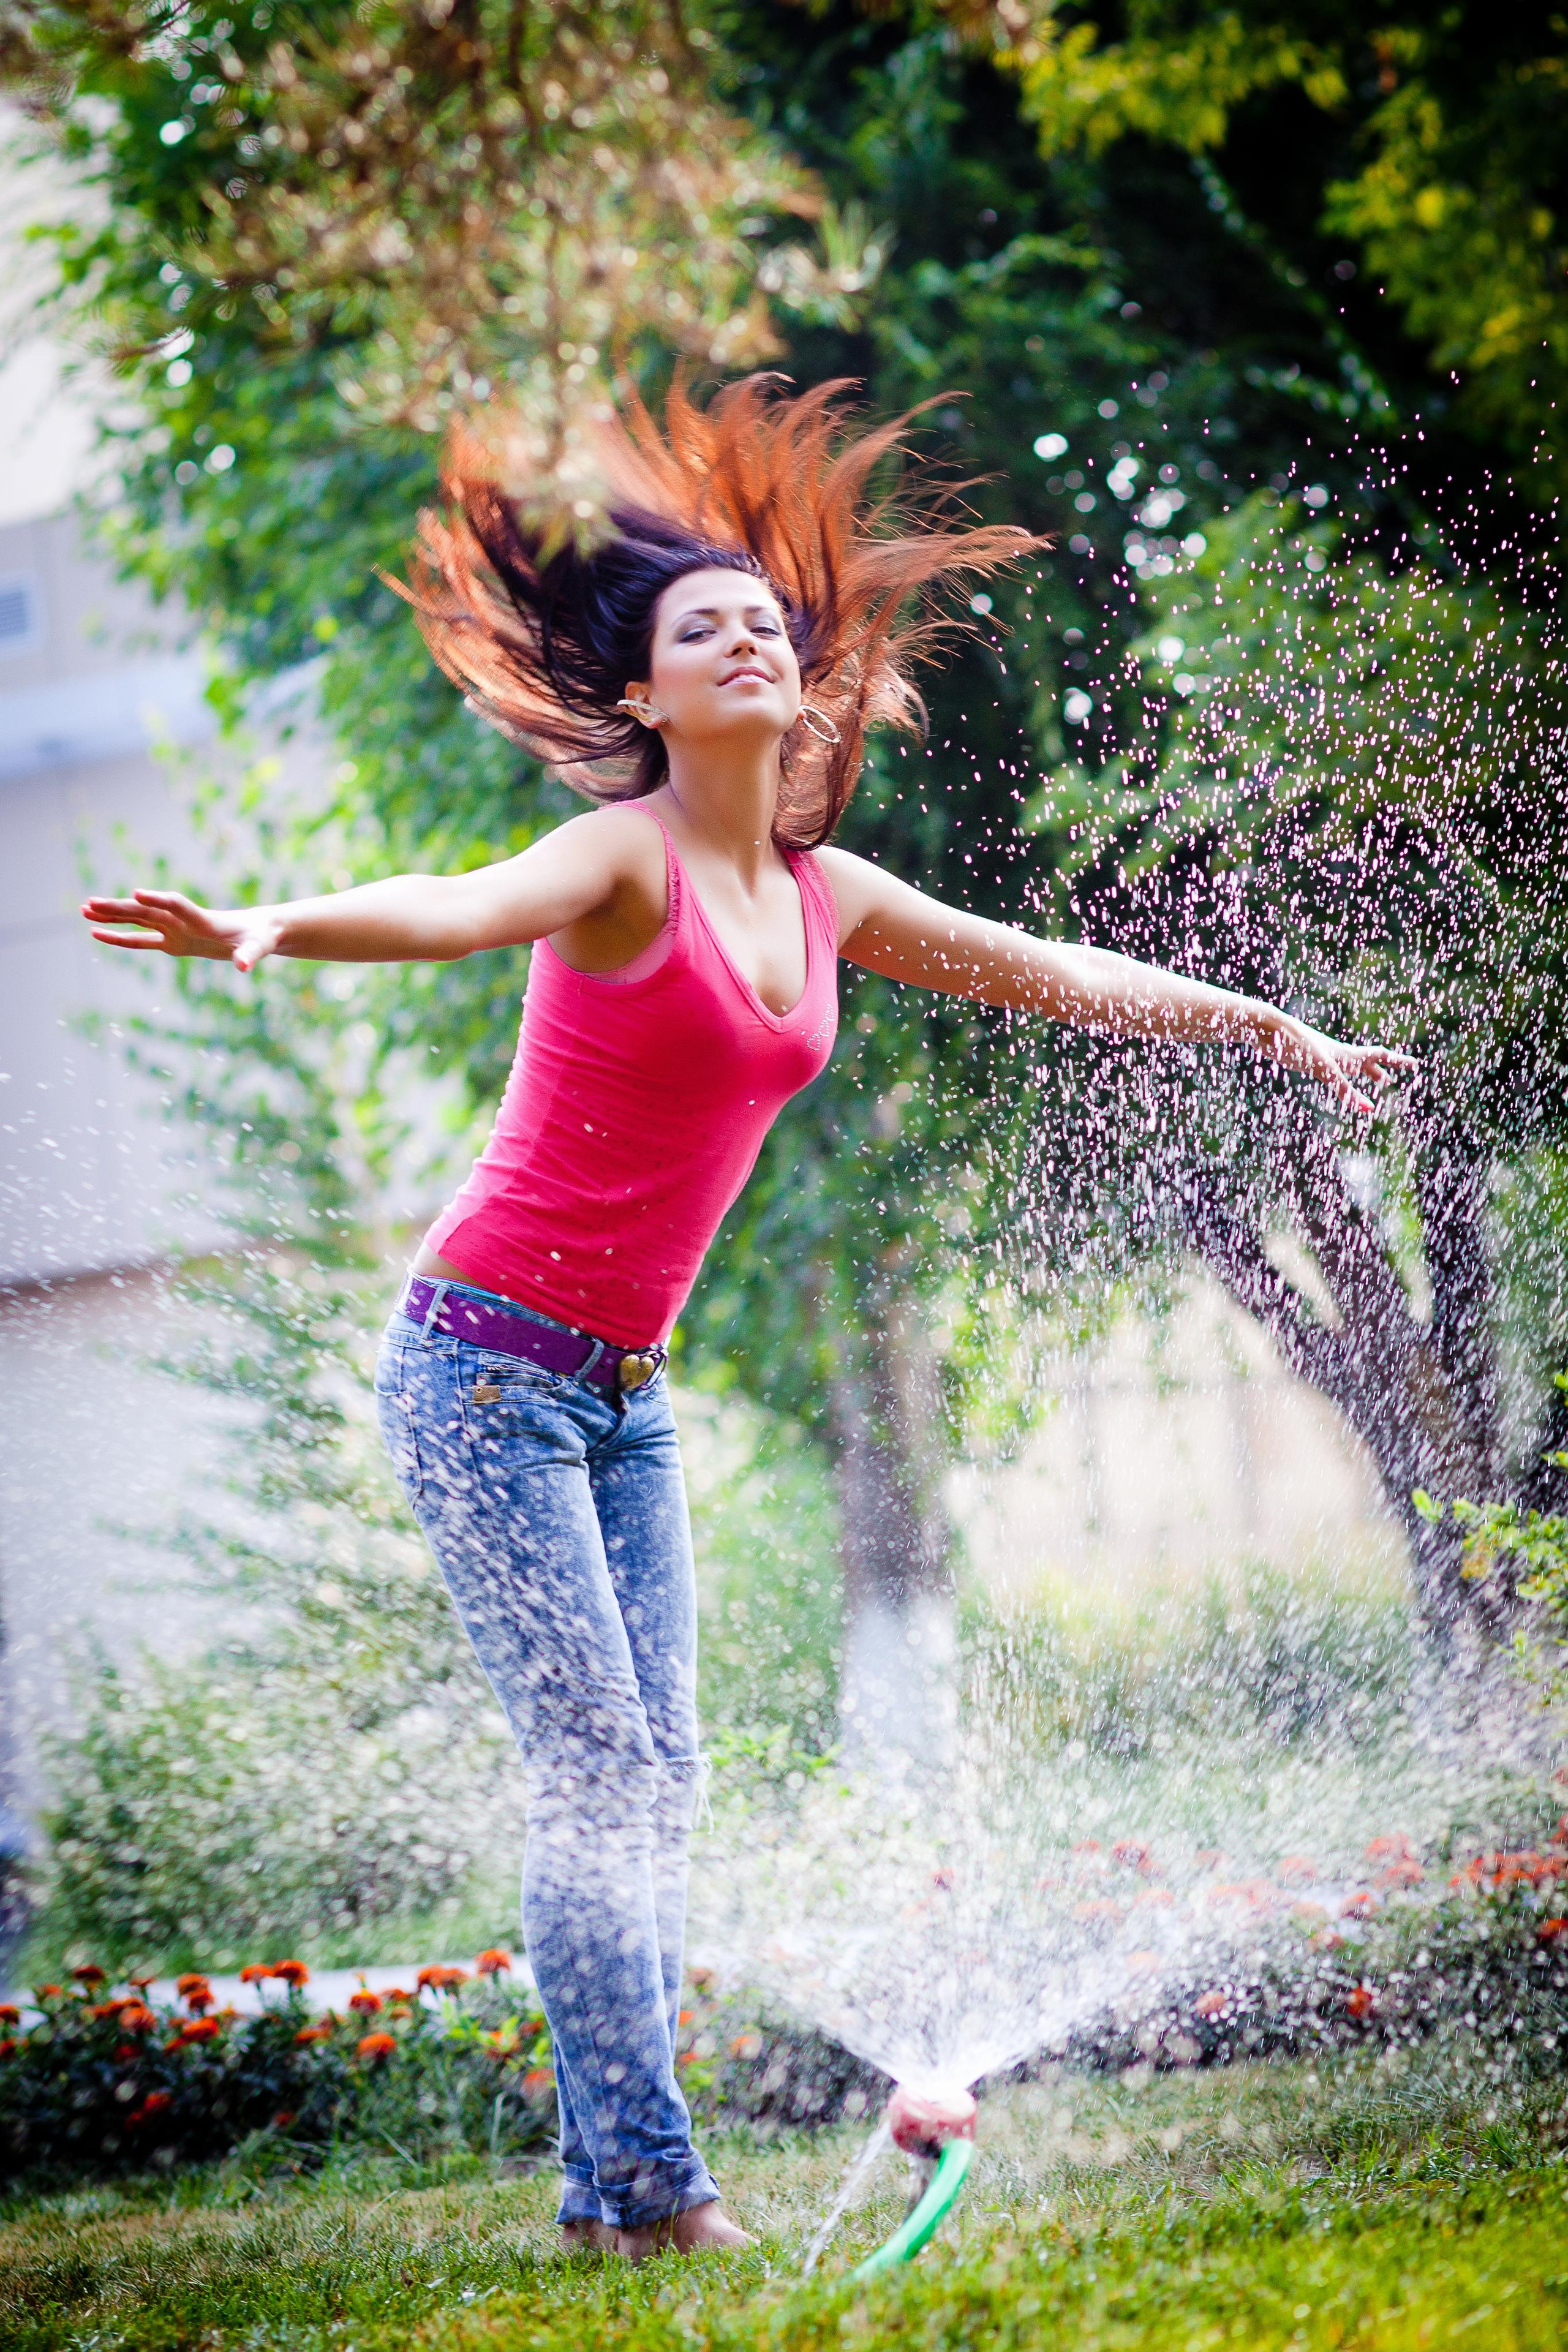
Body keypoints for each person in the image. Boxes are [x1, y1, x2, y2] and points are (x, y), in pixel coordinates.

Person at [82, 375, 1409, 2258]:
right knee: (602, 1776)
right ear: (642, 694)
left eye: (764, 624)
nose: (744, 638)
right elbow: (462, 906)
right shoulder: (622, 862)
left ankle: (600, 2187)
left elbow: (1043, 969)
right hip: (477, 1372)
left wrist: (1260, 1024)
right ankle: (648, 2190)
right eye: (700, 628)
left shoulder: (825, 889)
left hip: (621, 1397)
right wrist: (272, 926)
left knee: (662, 1778)